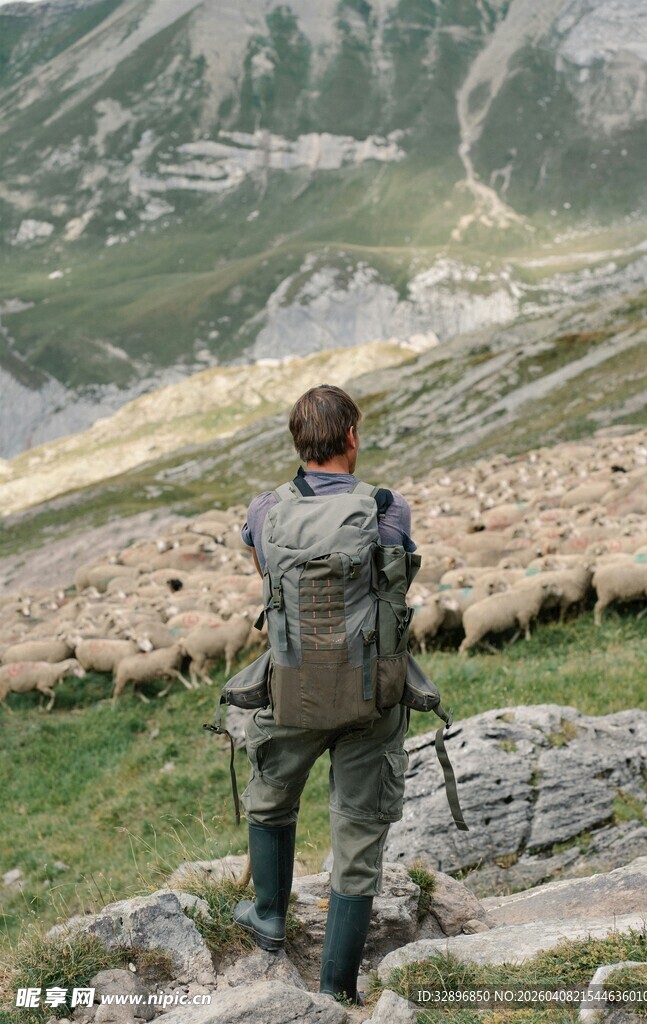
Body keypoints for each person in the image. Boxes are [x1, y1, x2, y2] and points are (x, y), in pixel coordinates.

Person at [233, 383, 417, 1004]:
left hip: (294, 688)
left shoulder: (265, 510)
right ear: (351, 439)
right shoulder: (388, 508)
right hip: (374, 694)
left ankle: (268, 917)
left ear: (297, 443)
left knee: (270, 798)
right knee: (358, 835)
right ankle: (337, 991)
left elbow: (263, 572)